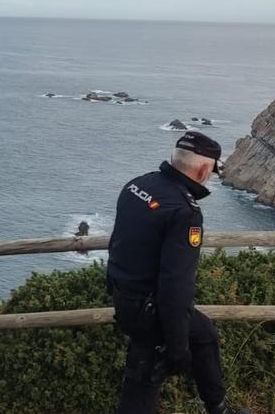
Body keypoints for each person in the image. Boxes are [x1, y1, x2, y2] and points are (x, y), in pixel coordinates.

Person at [106, 132, 248, 414]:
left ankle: (218, 408)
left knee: (204, 333)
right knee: (142, 384)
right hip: (150, 310)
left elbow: (118, 244)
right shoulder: (185, 213)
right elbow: (176, 286)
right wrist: (178, 348)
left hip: (124, 295)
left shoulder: (137, 185)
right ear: (204, 169)